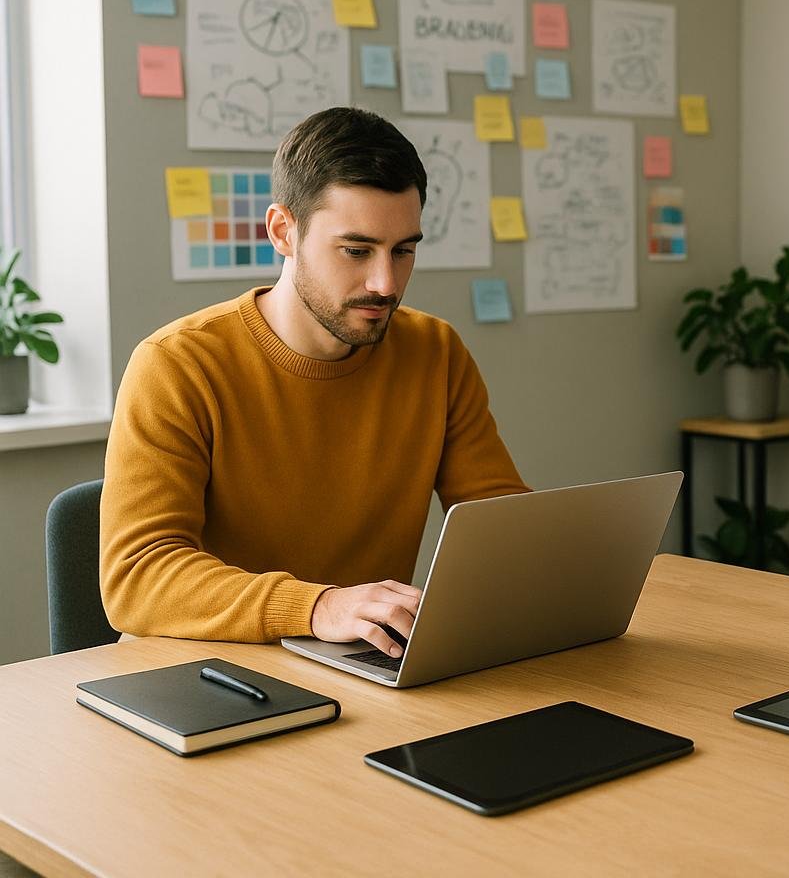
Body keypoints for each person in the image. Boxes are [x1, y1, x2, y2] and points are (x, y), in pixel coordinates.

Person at [101, 107, 530, 658]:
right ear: (284, 231)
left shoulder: (435, 353)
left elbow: (498, 525)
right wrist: (317, 606)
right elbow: (137, 577)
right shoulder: (176, 365)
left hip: (363, 667)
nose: (385, 283)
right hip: (205, 670)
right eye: (356, 250)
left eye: (404, 251)